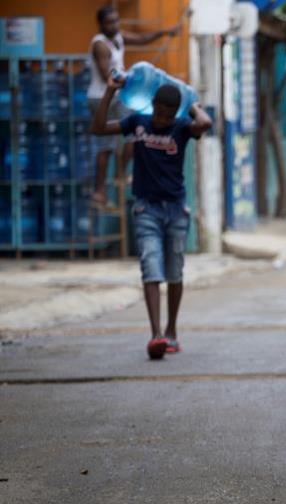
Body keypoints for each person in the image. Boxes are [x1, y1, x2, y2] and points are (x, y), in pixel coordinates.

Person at [91, 76, 212, 360]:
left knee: (175, 273)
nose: (161, 119)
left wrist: (193, 107)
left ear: (175, 113)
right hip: (146, 208)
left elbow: (205, 124)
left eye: (167, 115)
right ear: (152, 104)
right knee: (151, 268)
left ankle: (172, 332)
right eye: (158, 111)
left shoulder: (182, 127)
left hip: (176, 209)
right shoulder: (138, 122)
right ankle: (156, 335)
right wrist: (110, 91)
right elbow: (98, 127)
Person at [88, 5, 182, 206]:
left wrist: (165, 32)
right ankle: (100, 191)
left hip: (118, 96)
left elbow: (141, 39)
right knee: (106, 146)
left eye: (116, 20)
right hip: (103, 98)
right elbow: (108, 77)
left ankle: (120, 175)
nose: (115, 25)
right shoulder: (100, 45)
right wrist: (133, 79)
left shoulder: (118, 37)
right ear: (101, 24)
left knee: (133, 135)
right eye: (110, 22)